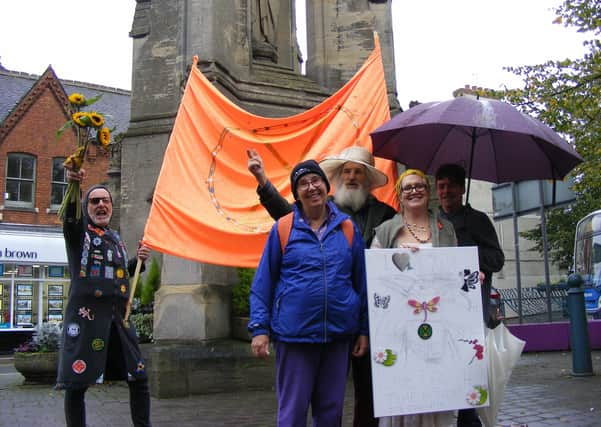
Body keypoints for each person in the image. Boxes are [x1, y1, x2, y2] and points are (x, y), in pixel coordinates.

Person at [247, 146, 396, 426]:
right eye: (303, 183)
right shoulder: (287, 226)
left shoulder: (362, 223)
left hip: (341, 333)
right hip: (296, 335)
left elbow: (362, 282)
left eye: (358, 172)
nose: (311, 187)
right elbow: (264, 281)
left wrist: (363, 329)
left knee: (336, 411)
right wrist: (259, 329)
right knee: (292, 413)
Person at [56, 168, 152, 427]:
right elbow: (70, 220)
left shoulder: (115, 238)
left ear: (111, 206)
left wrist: (138, 262)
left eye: (105, 200)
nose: (101, 205)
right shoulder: (79, 235)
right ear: (87, 207)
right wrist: (74, 188)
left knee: (139, 378)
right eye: (94, 201)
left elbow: (117, 274)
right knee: (76, 386)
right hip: (87, 322)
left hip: (118, 322)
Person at [371, 168, 457, 427]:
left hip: (437, 324)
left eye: (419, 185)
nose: (414, 191)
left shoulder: (446, 228)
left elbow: (454, 269)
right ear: (399, 195)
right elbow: (375, 274)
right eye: (407, 187)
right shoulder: (387, 230)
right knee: (403, 389)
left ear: (428, 192)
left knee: (435, 387)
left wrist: (470, 276)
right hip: (399, 327)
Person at [435, 163, 505, 427]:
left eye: (451, 186)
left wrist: (467, 256)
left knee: (467, 368)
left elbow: (496, 259)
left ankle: (468, 420)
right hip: (440, 308)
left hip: (470, 308)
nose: (445, 191)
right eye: (441, 186)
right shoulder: (434, 221)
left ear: (461, 189)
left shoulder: (477, 220)